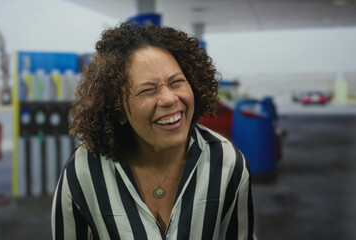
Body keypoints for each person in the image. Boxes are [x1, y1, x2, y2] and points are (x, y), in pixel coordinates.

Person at [52, 21, 256, 240]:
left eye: (177, 82)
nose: (170, 98)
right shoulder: (84, 170)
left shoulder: (227, 163)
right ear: (118, 109)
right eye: (148, 90)